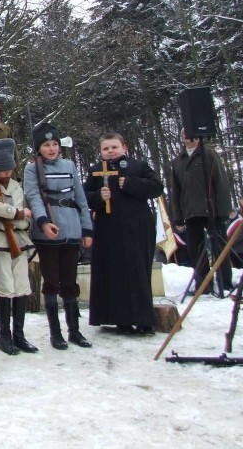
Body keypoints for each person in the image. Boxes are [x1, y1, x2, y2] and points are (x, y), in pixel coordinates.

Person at [84, 133, 164, 335]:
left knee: (137, 271)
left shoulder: (138, 166)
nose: (110, 151)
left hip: (136, 226)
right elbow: (83, 197)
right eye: (106, 148)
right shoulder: (95, 171)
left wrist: (130, 184)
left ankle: (143, 319)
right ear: (100, 151)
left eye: (114, 147)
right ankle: (119, 319)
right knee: (113, 272)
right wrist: (98, 197)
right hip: (108, 228)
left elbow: (157, 187)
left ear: (124, 147)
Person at [23, 122, 93, 350]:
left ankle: (75, 330)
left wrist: (86, 229)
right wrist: (43, 222)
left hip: (71, 227)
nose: (51, 149)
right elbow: (33, 196)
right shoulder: (32, 168)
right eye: (46, 145)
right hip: (48, 231)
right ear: (38, 148)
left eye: (54, 144)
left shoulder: (70, 165)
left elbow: (80, 198)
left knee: (70, 282)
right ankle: (56, 333)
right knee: (51, 281)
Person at [0, 138, 38, 355]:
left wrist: (19, 217)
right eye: (1, 168)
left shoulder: (16, 186)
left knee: (21, 284)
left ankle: (19, 334)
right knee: (5, 283)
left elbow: (23, 216)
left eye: (9, 167)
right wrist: (17, 214)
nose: (6, 172)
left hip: (19, 238)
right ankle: (4, 335)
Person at [171, 129, 235, 291]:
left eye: (191, 134)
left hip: (212, 209)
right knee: (196, 250)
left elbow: (221, 183)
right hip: (191, 211)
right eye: (185, 135)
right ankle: (203, 284)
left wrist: (223, 210)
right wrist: (178, 216)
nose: (188, 138)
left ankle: (225, 282)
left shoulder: (210, 155)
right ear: (181, 139)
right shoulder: (178, 160)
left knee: (220, 248)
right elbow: (176, 190)